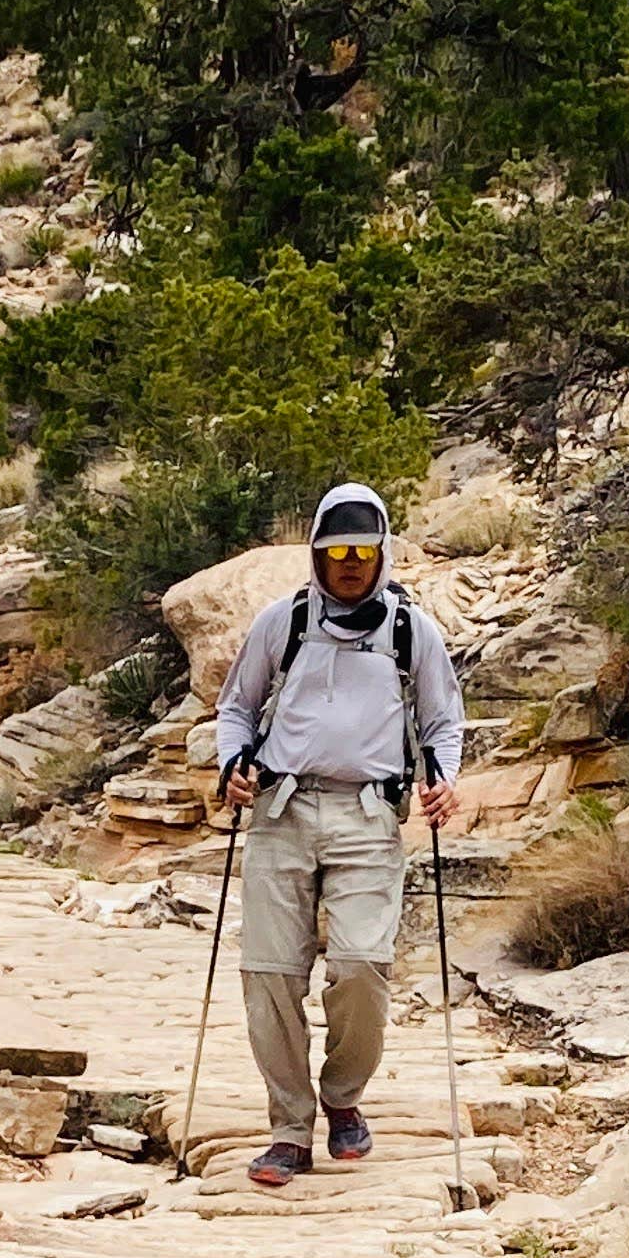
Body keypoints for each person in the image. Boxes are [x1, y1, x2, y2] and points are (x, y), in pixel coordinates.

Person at [214, 483, 465, 1189]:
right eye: (336, 552)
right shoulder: (282, 621)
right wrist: (232, 765)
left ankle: (342, 1098)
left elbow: (444, 720)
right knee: (269, 974)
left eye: (363, 551)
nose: (350, 564)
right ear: (317, 556)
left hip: (367, 814)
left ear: (381, 552)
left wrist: (443, 776)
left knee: (361, 966)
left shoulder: (413, 630)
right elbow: (236, 707)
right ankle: (289, 1130)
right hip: (281, 809)